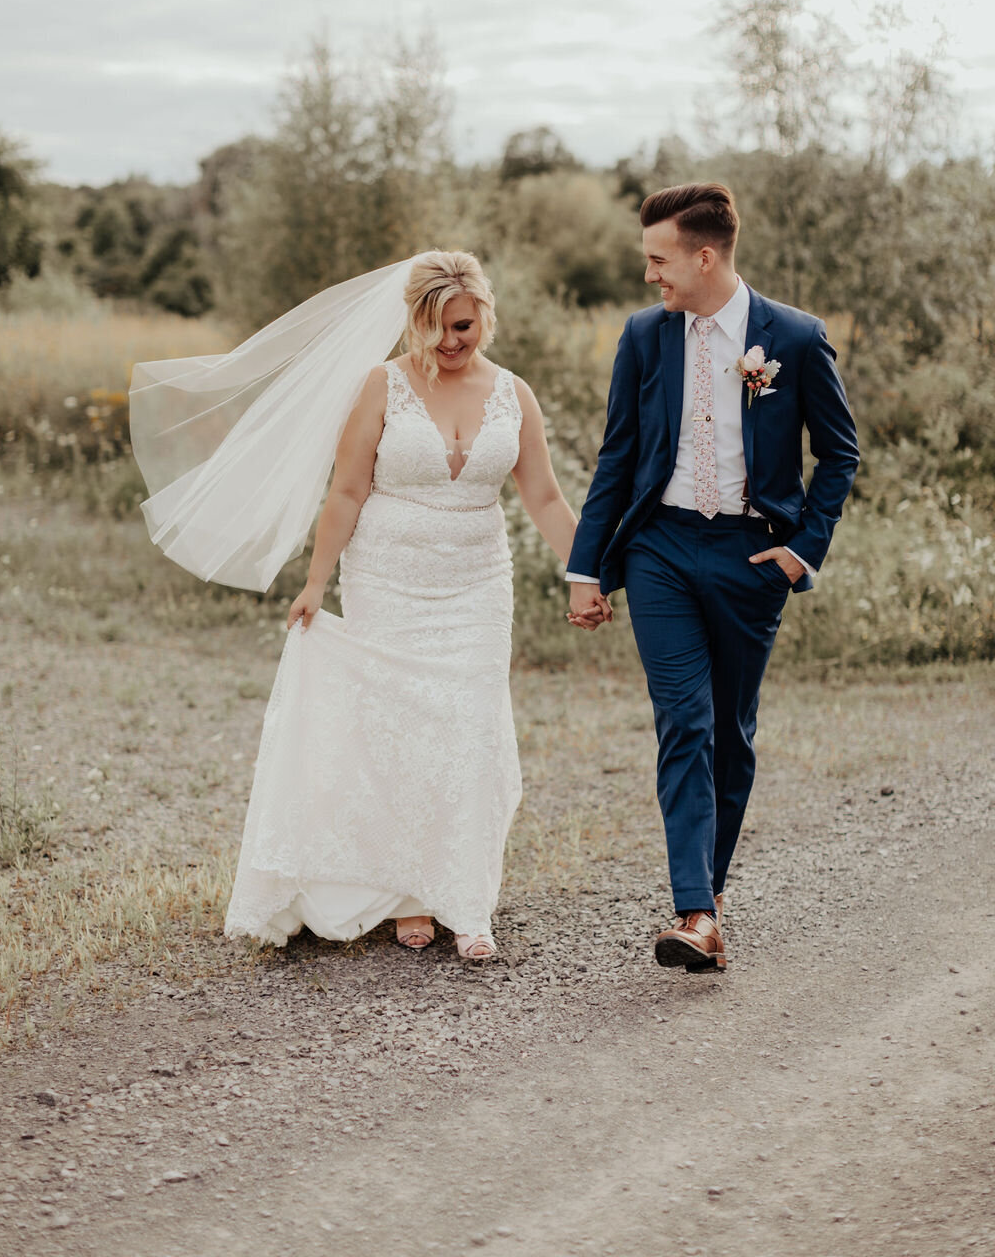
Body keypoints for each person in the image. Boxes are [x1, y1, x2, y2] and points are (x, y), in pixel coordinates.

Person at [220, 251, 587, 961]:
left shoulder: (515, 393)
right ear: (415, 323)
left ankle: (467, 900)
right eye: (438, 328)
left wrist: (587, 572)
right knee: (397, 725)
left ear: (484, 313)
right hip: (386, 576)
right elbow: (348, 491)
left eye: (464, 325)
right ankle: (412, 897)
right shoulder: (382, 385)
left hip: (478, 581)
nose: (453, 341)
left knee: (470, 727)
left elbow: (542, 496)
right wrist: (316, 581)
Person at [566, 184, 859, 972]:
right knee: (683, 722)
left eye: (660, 260)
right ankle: (694, 911)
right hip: (659, 549)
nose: (651, 276)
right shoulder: (643, 335)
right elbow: (618, 456)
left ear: (705, 255)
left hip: (749, 556)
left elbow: (840, 455)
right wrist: (585, 568)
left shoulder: (793, 338)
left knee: (730, 731)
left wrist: (803, 549)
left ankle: (711, 894)